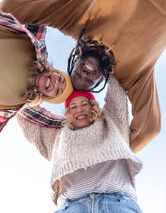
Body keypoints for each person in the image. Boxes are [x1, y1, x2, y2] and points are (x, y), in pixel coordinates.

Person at [1, 0, 165, 152]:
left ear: (74, 61)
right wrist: (108, 156)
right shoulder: (132, 73)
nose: (85, 74)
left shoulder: (79, 19)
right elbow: (148, 128)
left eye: (76, 75)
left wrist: (31, 53)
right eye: (89, 80)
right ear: (101, 79)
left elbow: (13, 6)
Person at [16, 74, 143, 213]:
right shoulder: (58, 138)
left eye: (84, 104)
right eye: (73, 106)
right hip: (72, 207)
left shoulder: (112, 123)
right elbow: (24, 114)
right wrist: (36, 90)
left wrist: (100, 68)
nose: (79, 109)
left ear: (93, 106)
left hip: (116, 203)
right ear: (68, 113)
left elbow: (116, 89)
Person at [0, 11, 73, 131]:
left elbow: (50, 121)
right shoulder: (38, 53)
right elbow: (40, 11)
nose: (56, 84)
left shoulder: (22, 104)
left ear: (49, 97)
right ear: (55, 72)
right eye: (60, 79)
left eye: (58, 91)